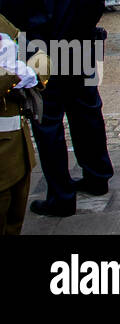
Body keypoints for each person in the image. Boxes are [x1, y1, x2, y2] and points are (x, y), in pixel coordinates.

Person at [0, 0, 113, 217]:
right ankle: (97, 175)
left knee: (47, 123)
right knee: (88, 112)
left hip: (44, 55)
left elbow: (11, 21)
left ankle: (62, 195)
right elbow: (98, 4)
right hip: (85, 46)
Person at [0, 14, 47, 235]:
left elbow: (34, 54)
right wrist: (16, 74)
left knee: (14, 223)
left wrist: (37, 70)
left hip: (16, 148)